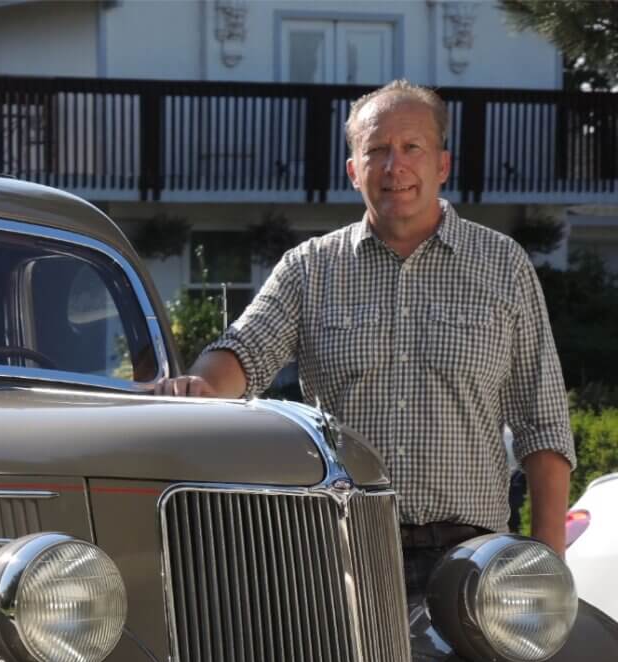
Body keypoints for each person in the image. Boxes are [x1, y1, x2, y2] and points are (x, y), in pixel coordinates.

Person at [155, 79, 575, 596]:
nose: (394, 166)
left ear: (441, 164)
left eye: (411, 148)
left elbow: (543, 422)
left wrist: (548, 561)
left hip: (471, 562)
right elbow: (243, 350)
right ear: (354, 171)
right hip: (339, 555)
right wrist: (197, 387)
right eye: (376, 150)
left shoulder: (503, 264)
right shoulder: (310, 269)